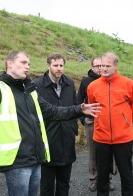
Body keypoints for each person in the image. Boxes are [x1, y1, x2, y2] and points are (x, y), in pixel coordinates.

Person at [0, 51, 101, 196]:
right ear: (10, 63)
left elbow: (53, 112)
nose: (27, 67)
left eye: (29, 64)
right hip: (16, 160)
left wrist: (79, 108)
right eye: (23, 63)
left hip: (35, 158)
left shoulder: (30, 91)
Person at [87, 52, 133, 196]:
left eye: (107, 66)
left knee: (126, 175)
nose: (103, 69)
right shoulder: (93, 86)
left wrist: (123, 122)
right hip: (101, 138)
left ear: (116, 66)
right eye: (102, 65)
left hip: (123, 139)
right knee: (102, 177)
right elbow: (93, 107)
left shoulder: (129, 84)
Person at [33, 53, 78, 196]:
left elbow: (74, 107)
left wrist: (72, 128)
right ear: (48, 66)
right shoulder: (37, 85)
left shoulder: (69, 83)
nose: (59, 68)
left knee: (64, 184)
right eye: (55, 65)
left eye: (61, 65)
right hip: (47, 139)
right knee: (46, 186)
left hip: (67, 139)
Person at [77, 57, 115, 192]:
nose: (100, 68)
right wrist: (83, 118)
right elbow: (78, 101)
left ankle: (107, 179)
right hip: (92, 122)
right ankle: (93, 179)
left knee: (107, 152)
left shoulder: (110, 81)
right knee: (93, 153)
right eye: (97, 66)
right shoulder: (86, 82)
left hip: (107, 123)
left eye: (102, 65)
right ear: (92, 67)